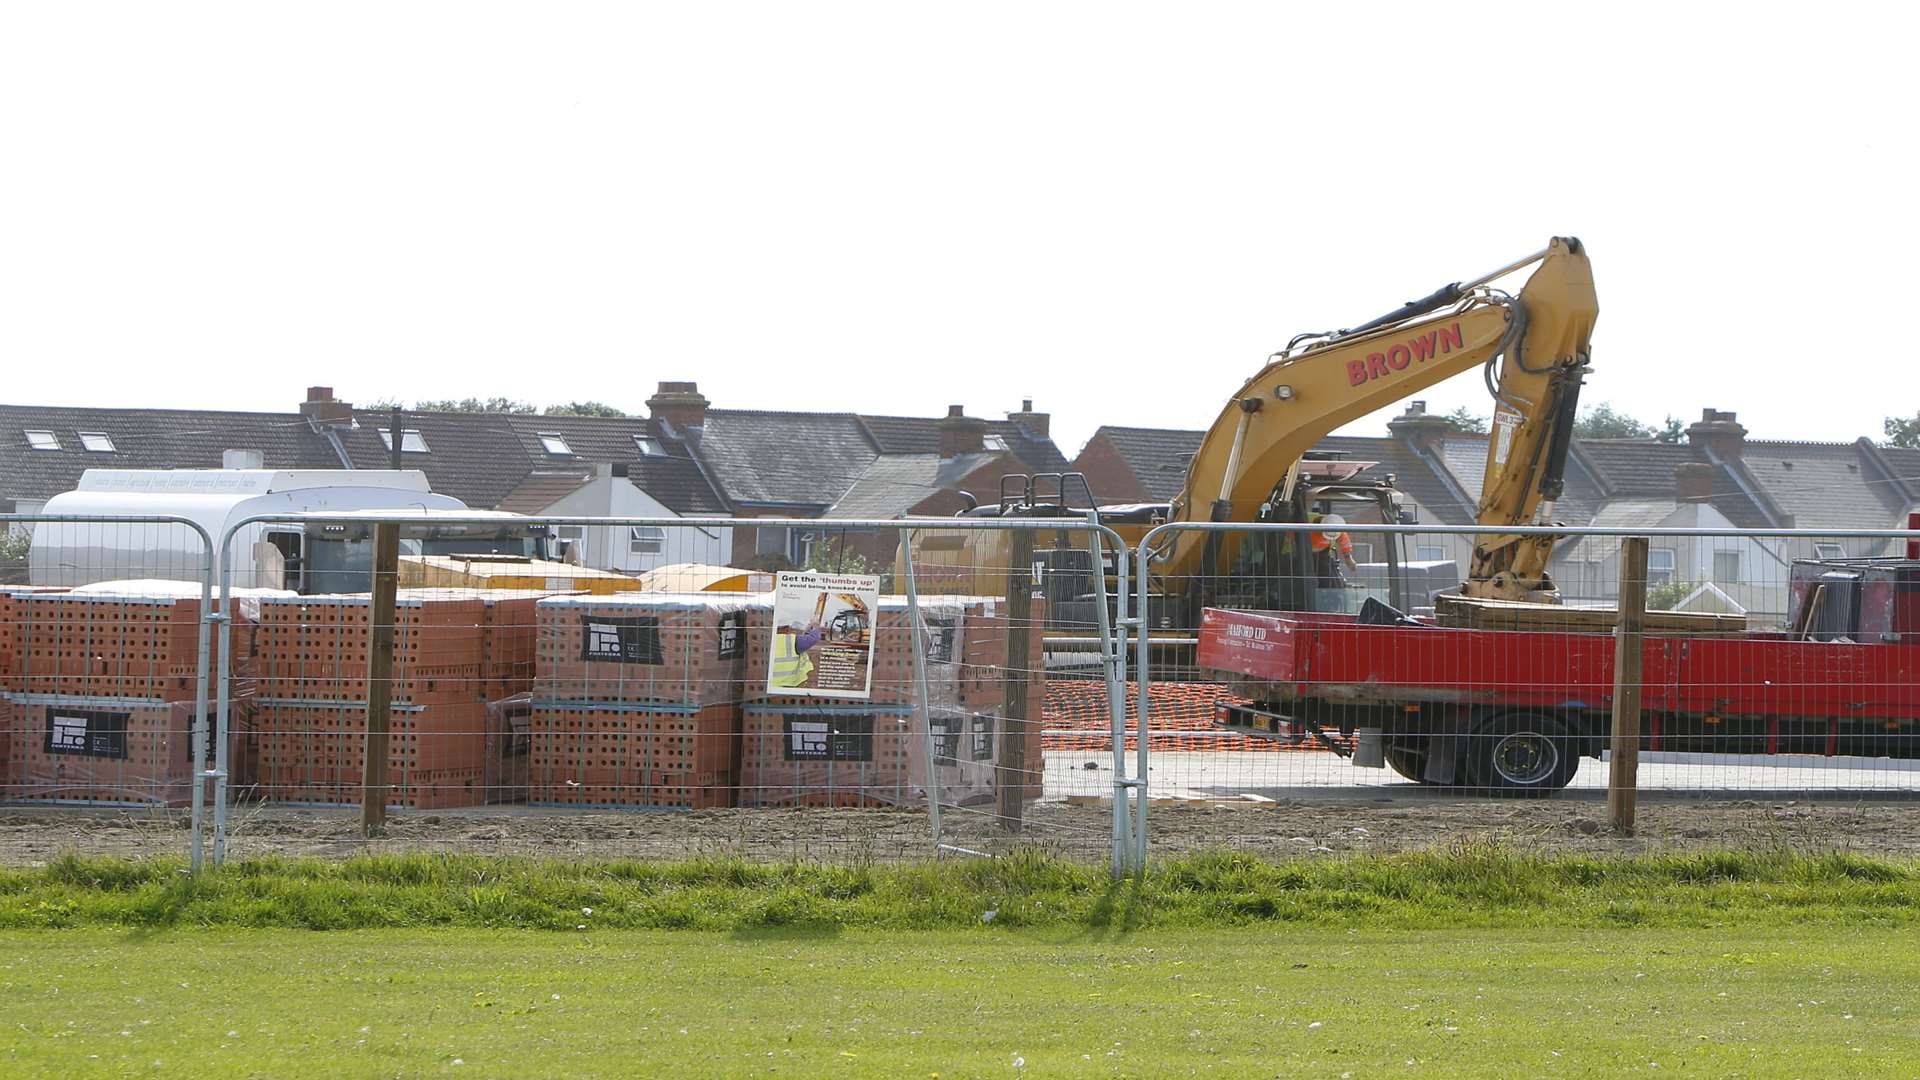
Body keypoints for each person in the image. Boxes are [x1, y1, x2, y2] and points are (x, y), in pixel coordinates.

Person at [1310, 512, 1358, 586]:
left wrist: (1348, 559)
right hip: (1303, 554)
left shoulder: (1337, 529)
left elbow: (1345, 543)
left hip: (1323, 555)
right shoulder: (1306, 526)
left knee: (1332, 581)